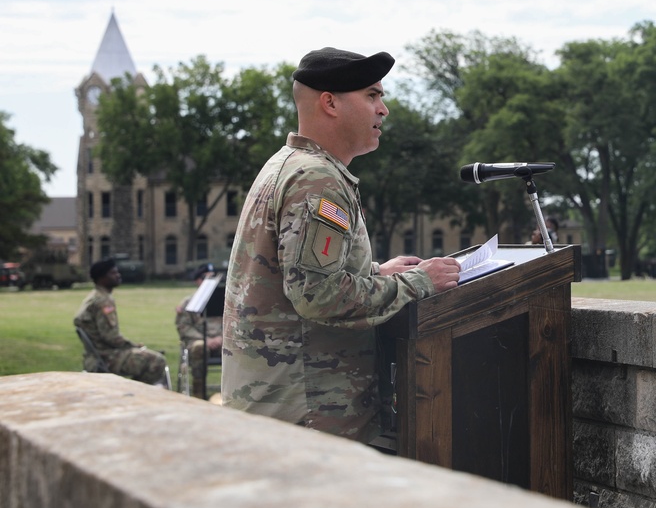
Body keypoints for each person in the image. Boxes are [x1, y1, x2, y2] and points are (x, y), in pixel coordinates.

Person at [222, 46, 462, 444]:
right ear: (330, 103)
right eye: (372, 95)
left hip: (282, 410)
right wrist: (419, 283)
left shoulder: (288, 164)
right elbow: (318, 295)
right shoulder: (318, 179)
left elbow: (298, 276)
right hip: (309, 418)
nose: (383, 109)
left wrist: (375, 275)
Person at [74, 257, 167, 385]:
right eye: (113, 273)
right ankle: (136, 396)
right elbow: (111, 337)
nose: (118, 275)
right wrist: (136, 347)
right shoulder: (104, 301)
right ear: (102, 278)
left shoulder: (93, 296)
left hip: (95, 356)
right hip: (106, 357)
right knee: (157, 360)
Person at [175, 263, 223, 399]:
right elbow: (184, 327)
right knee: (199, 348)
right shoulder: (188, 303)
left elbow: (233, 323)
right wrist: (205, 340)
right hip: (198, 342)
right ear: (198, 281)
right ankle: (198, 394)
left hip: (221, 341)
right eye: (205, 278)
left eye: (212, 278)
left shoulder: (224, 300)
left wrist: (222, 338)